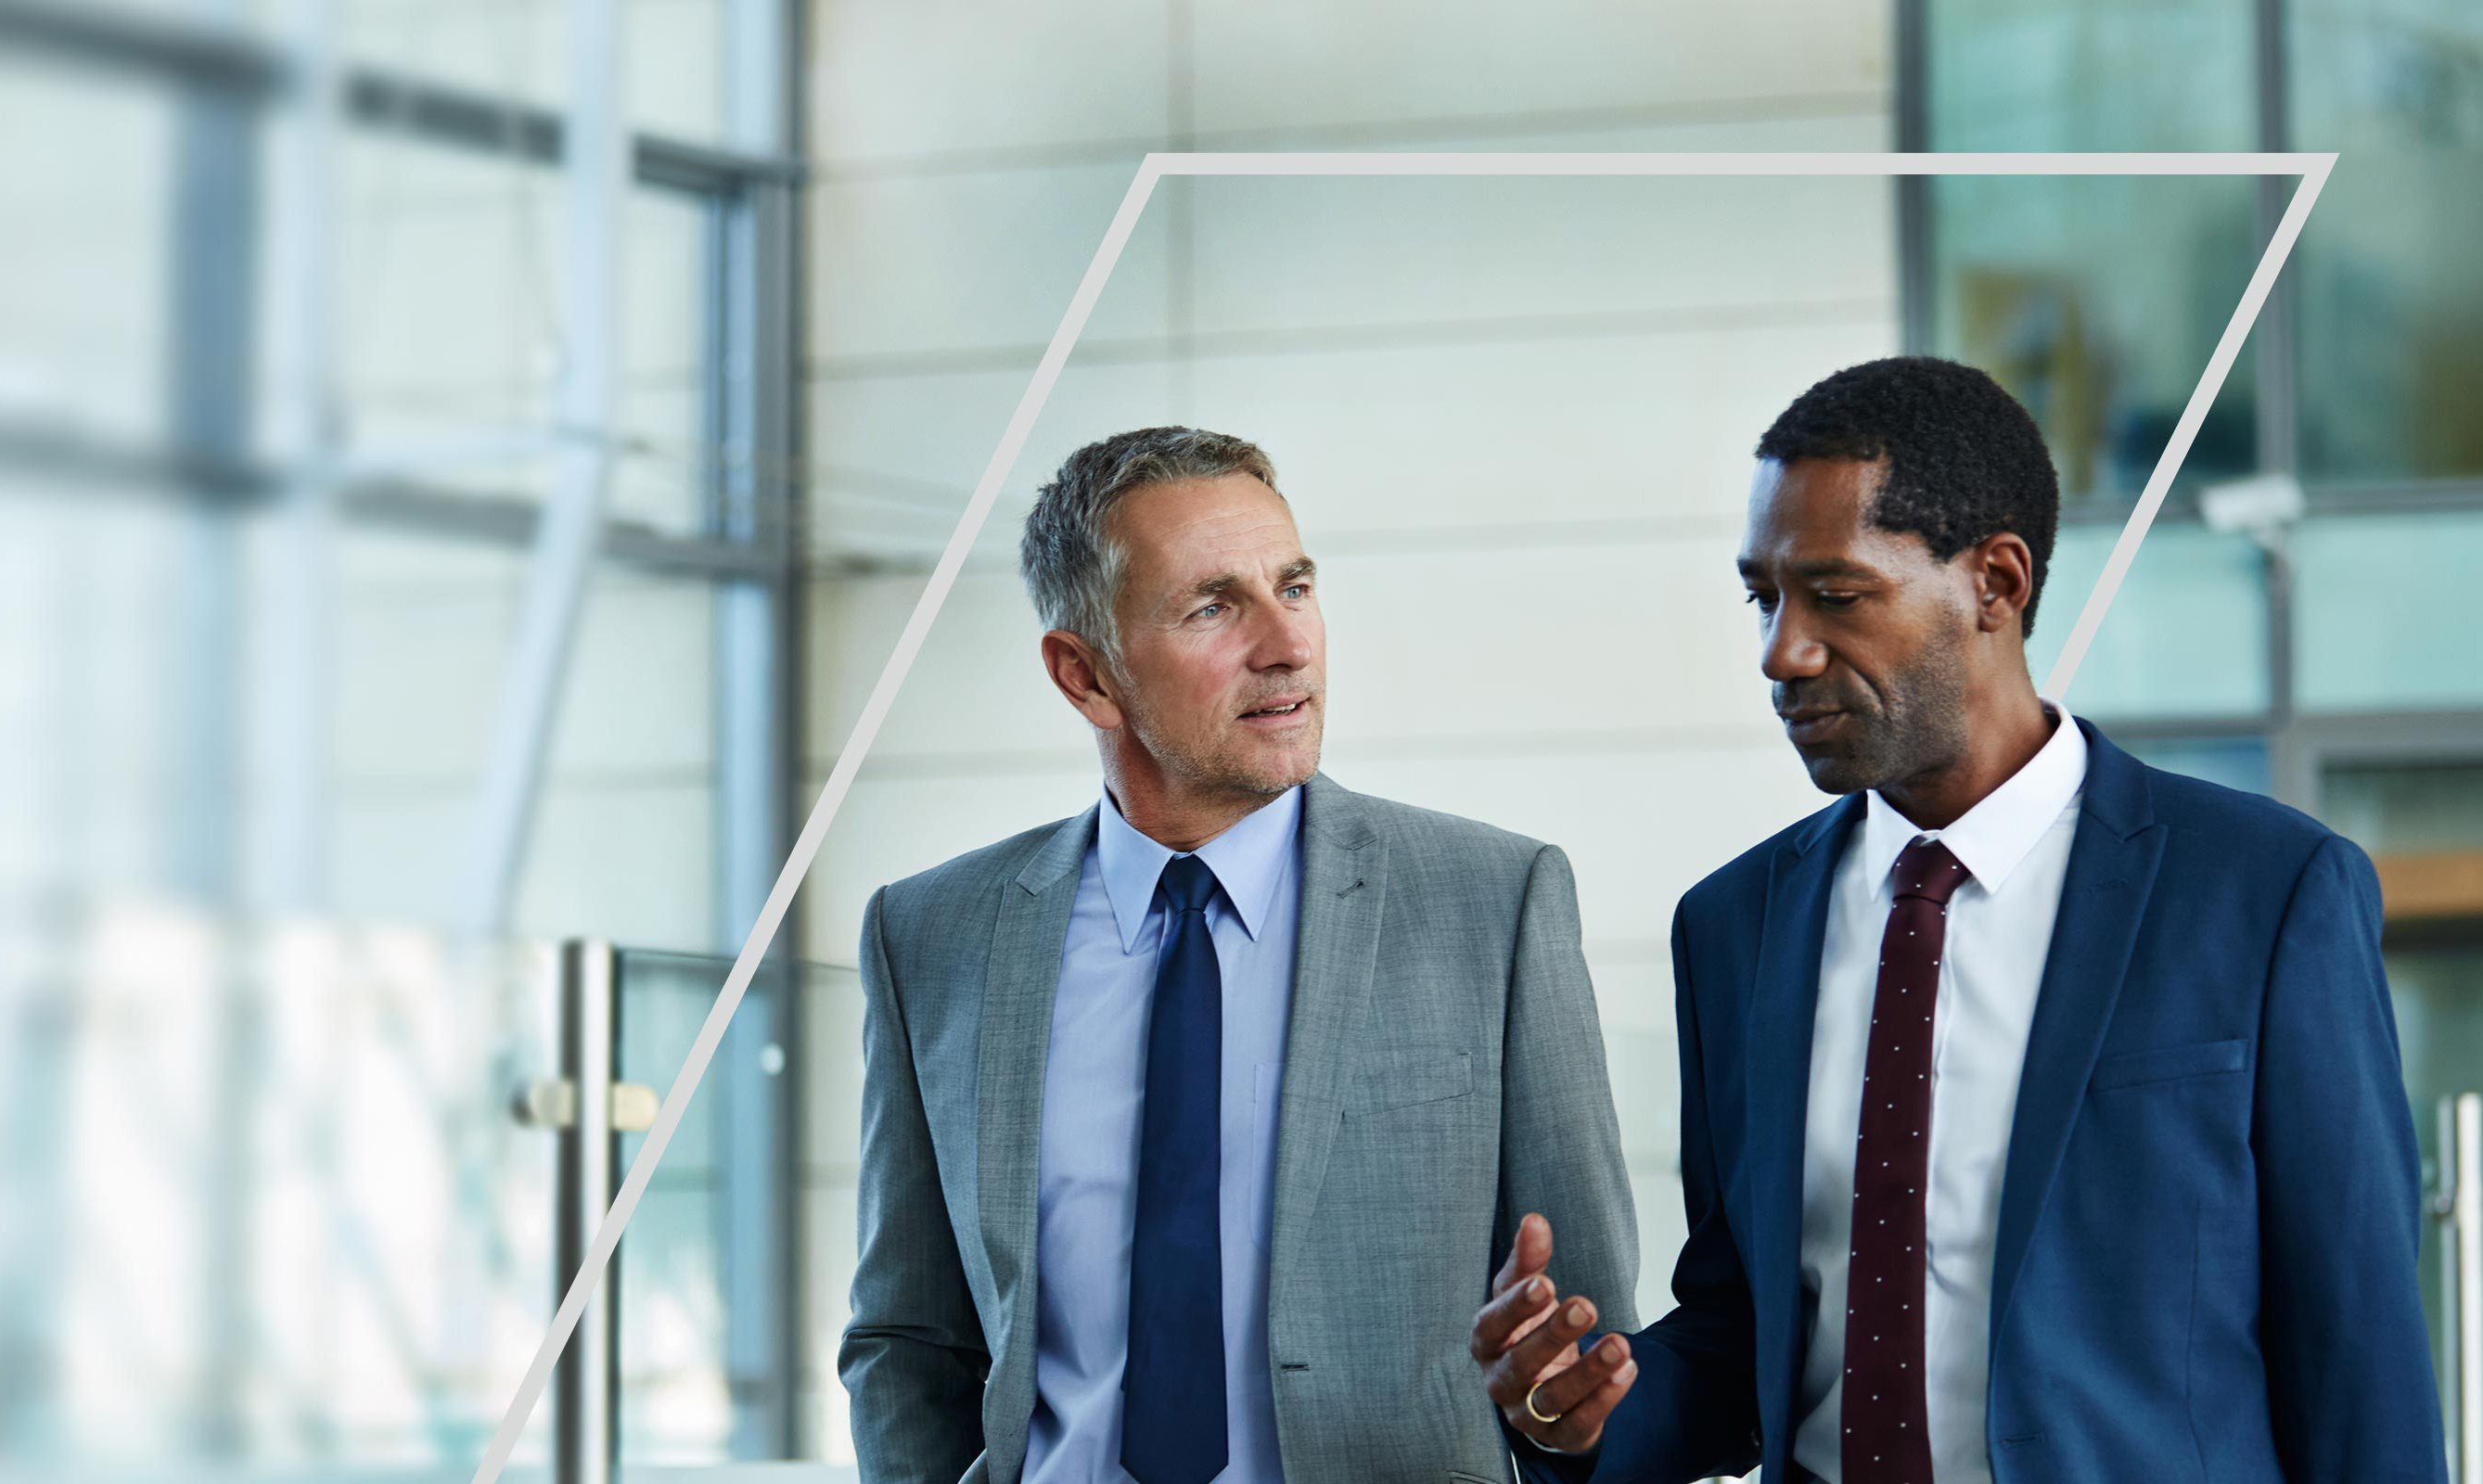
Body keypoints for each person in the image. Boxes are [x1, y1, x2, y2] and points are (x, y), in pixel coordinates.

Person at [1478, 356, 2449, 1483]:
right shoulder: (1734, 926)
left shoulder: (2267, 894)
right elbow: (1742, 1338)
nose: (1780, 652)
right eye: (1764, 597)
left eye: (1834, 595)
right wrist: (1582, 1413)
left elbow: (2359, 1364)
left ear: (1995, 581)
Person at [841, 426, 1638, 1483]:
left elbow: (1589, 1351)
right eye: (1215, 606)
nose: (1288, 645)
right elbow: (909, 1336)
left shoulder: (1491, 902)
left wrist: (1560, 1416)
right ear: (1086, 676)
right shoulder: (931, 935)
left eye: (1295, 587)